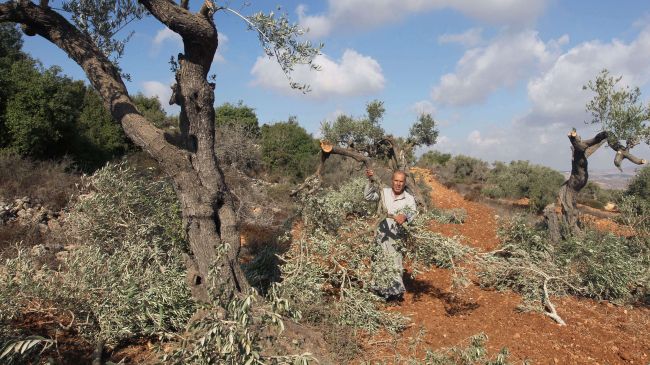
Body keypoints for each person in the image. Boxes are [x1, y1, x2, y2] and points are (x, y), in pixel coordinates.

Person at [364, 168, 417, 300]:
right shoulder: (384, 192)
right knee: (379, 261)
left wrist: (405, 216)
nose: (398, 184)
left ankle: (395, 294)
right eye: (396, 180)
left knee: (395, 263)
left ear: (405, 183)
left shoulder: (409, 199)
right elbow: (368, 196)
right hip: (381, 235)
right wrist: (371, 181)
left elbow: (413, 213)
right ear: (392, 181)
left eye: (401, 181)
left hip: (397, 237)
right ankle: (378, 291)